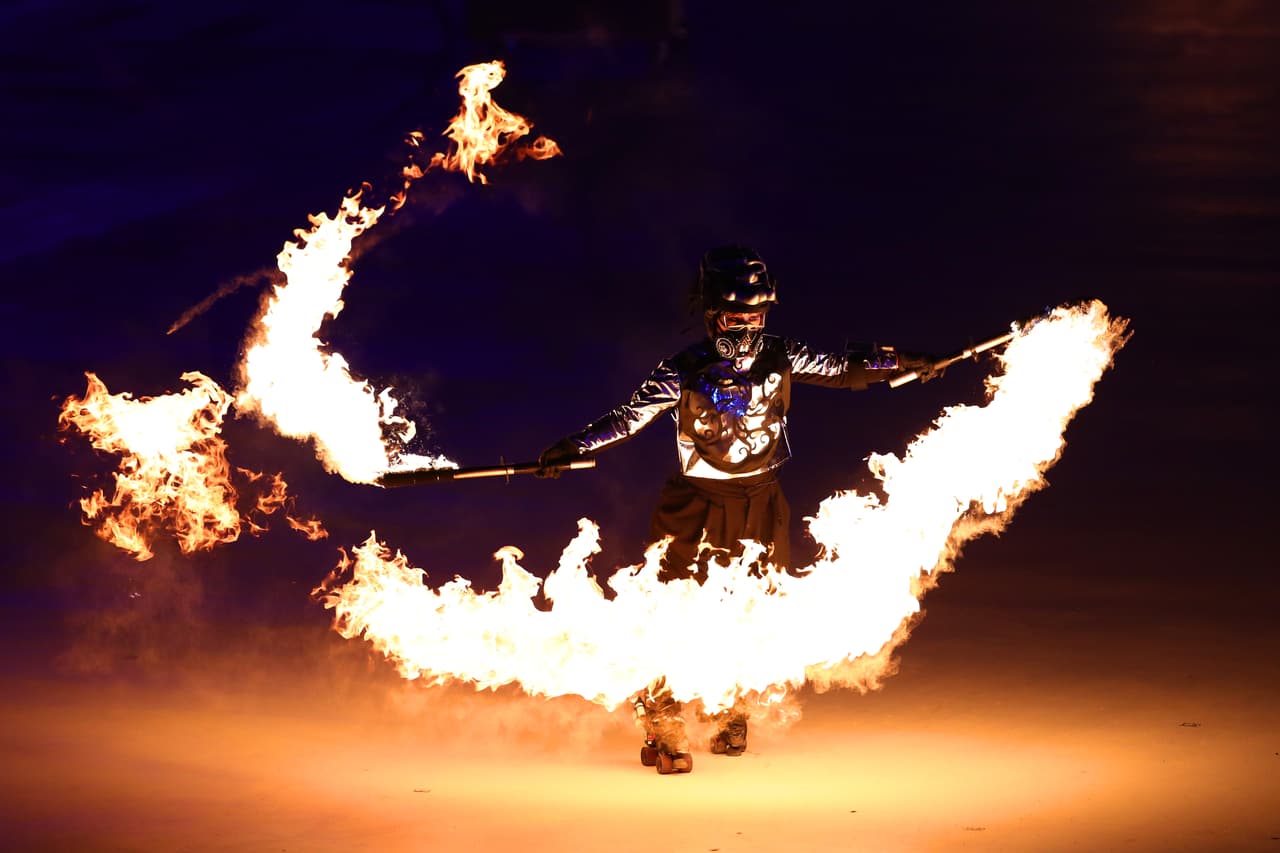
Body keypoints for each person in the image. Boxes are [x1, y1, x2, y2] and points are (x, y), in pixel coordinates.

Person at [537, 245, 939, 773]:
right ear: (711, 314)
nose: (747, 328)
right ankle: (663, 719)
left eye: (757, 316)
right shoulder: (683, 369)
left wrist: (901, 361)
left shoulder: (782, 354)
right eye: (735, 317)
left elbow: (843, 368)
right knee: (672, 608)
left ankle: (732, 706)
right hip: (694, 506)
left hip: (762, 501)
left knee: (757, 604)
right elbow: (627, 418)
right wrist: (573, 446)